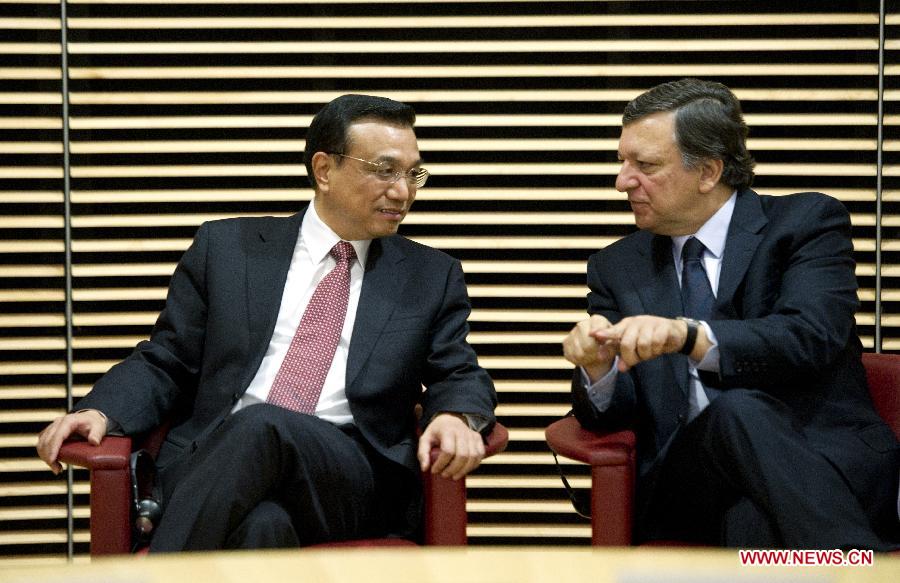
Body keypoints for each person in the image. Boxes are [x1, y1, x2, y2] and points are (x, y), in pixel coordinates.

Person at [36, 94, 497, 551]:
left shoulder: (429, 276)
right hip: (219, 463)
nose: (403, 191)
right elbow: (168, 357)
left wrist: (457, 415)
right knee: (263, 527)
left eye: (412, 173)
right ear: (324, 170)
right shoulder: (228, 249)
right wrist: (100, 410)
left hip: (347, 477)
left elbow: (458, 370)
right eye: (384, 170)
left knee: (262, 426)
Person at [562, 78, 899, 549]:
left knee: (752, 523)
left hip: (820, 464)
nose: (622, 181)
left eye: (646, 165)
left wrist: (689, 336)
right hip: (690, 483)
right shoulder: (617, 267)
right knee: (733, 415)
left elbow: (811, 335)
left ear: (708, 171)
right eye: (623, 162)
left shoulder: (806, 225)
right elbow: (611, 416)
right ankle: (864, 568)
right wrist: (599, 370)